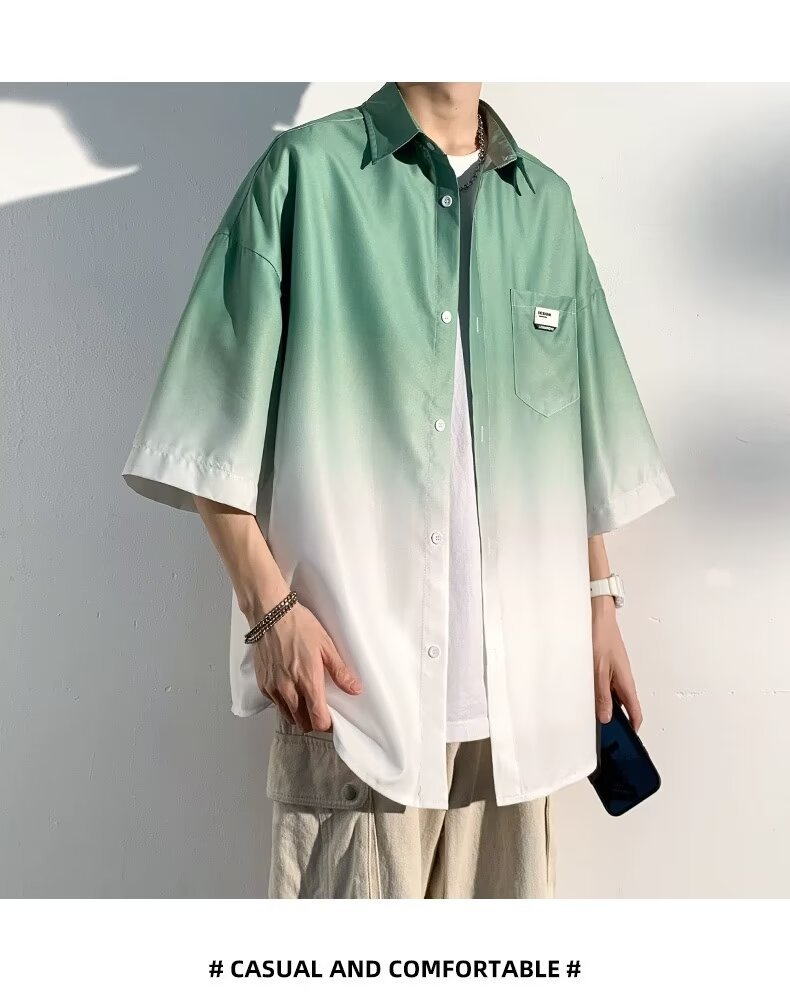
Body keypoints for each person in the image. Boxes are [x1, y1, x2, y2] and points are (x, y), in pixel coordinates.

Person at [121, 81, 675, 899]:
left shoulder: (545, 205)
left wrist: (599, 601)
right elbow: (202, 429)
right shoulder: (306, 175)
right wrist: (270, 613)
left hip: (521, 717)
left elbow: (570, 439)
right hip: (358, 711)